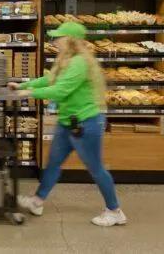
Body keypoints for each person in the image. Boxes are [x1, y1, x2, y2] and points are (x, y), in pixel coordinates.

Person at [7, 21, 127, 227]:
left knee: (95, 168)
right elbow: (49, 80)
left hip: (86, 123)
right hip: (67, 122)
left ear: (70, 40)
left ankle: (115, 211)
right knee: (53, 162)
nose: (55, 41)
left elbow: (61, 90)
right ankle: (37, 201)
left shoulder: (79, 62)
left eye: (59, 37)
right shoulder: (65, 59)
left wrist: (29, 93)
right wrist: (22, 85)